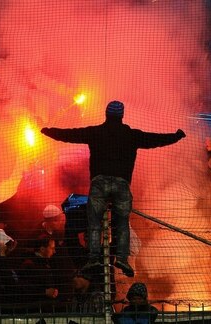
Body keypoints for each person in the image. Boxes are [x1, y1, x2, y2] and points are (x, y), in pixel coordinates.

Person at [41, 101, 186, 277]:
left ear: (106, 114)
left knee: (94, 220)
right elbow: (154, 139)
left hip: (99, 183)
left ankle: (93, 258)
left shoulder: (95, 132)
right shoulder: (131, 135)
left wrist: (49, 131)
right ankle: (122, 258)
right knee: (122, 221)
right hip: (121, 184)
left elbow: (71, 135)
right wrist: (175, 136)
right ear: (121, 116)